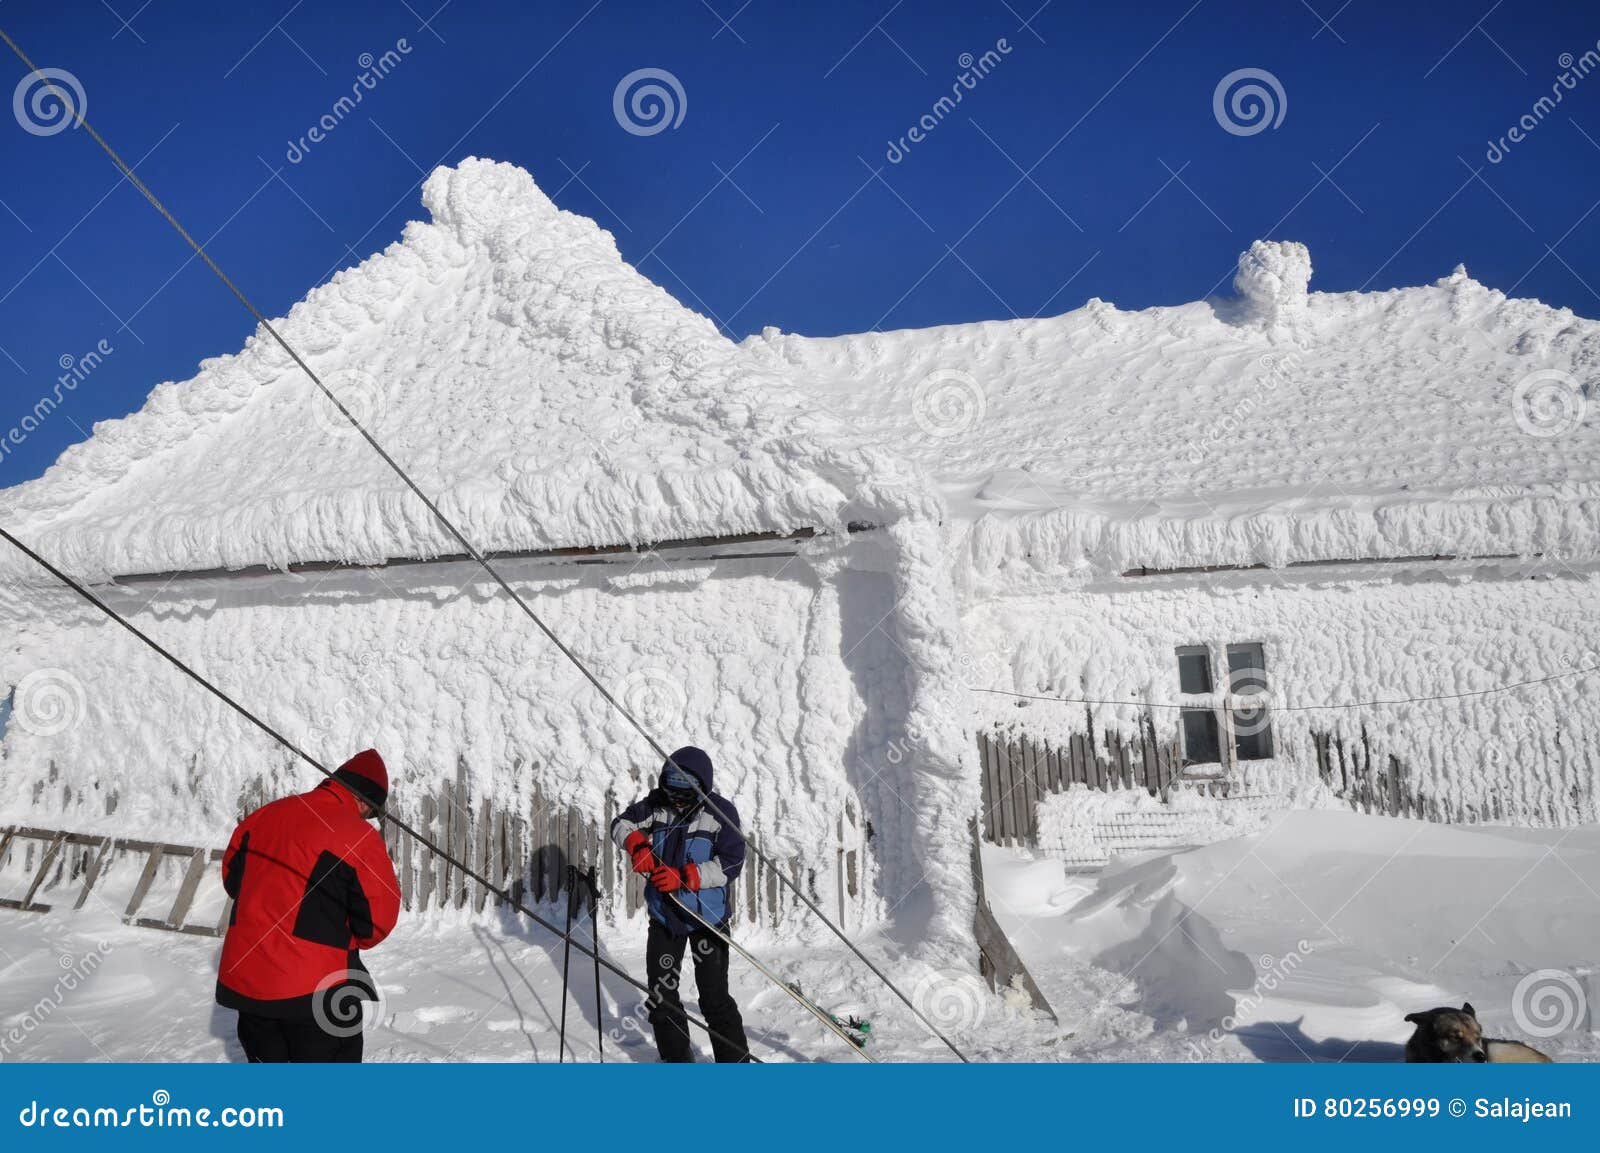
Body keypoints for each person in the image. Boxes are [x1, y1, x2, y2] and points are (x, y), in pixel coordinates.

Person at [215, 749, 401, 1063]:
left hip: (249, 984)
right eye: (370, 812)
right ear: (365, 802)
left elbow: (234, 882)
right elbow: (375, 925)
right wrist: (334, 933)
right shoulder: (359, 837)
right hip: (317, 993)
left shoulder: (263, 817)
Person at [610, 745, 750, 1063]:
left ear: (702, 787)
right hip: (666, 918)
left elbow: (732, 862)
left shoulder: (720, 813)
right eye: (672, 791)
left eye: (686, 794)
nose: (677, 800)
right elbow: (620, 824)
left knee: (714, 998)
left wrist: (685, 877)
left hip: (708, 920)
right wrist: (636, 845)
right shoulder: (655, 807)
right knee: (662, 997)